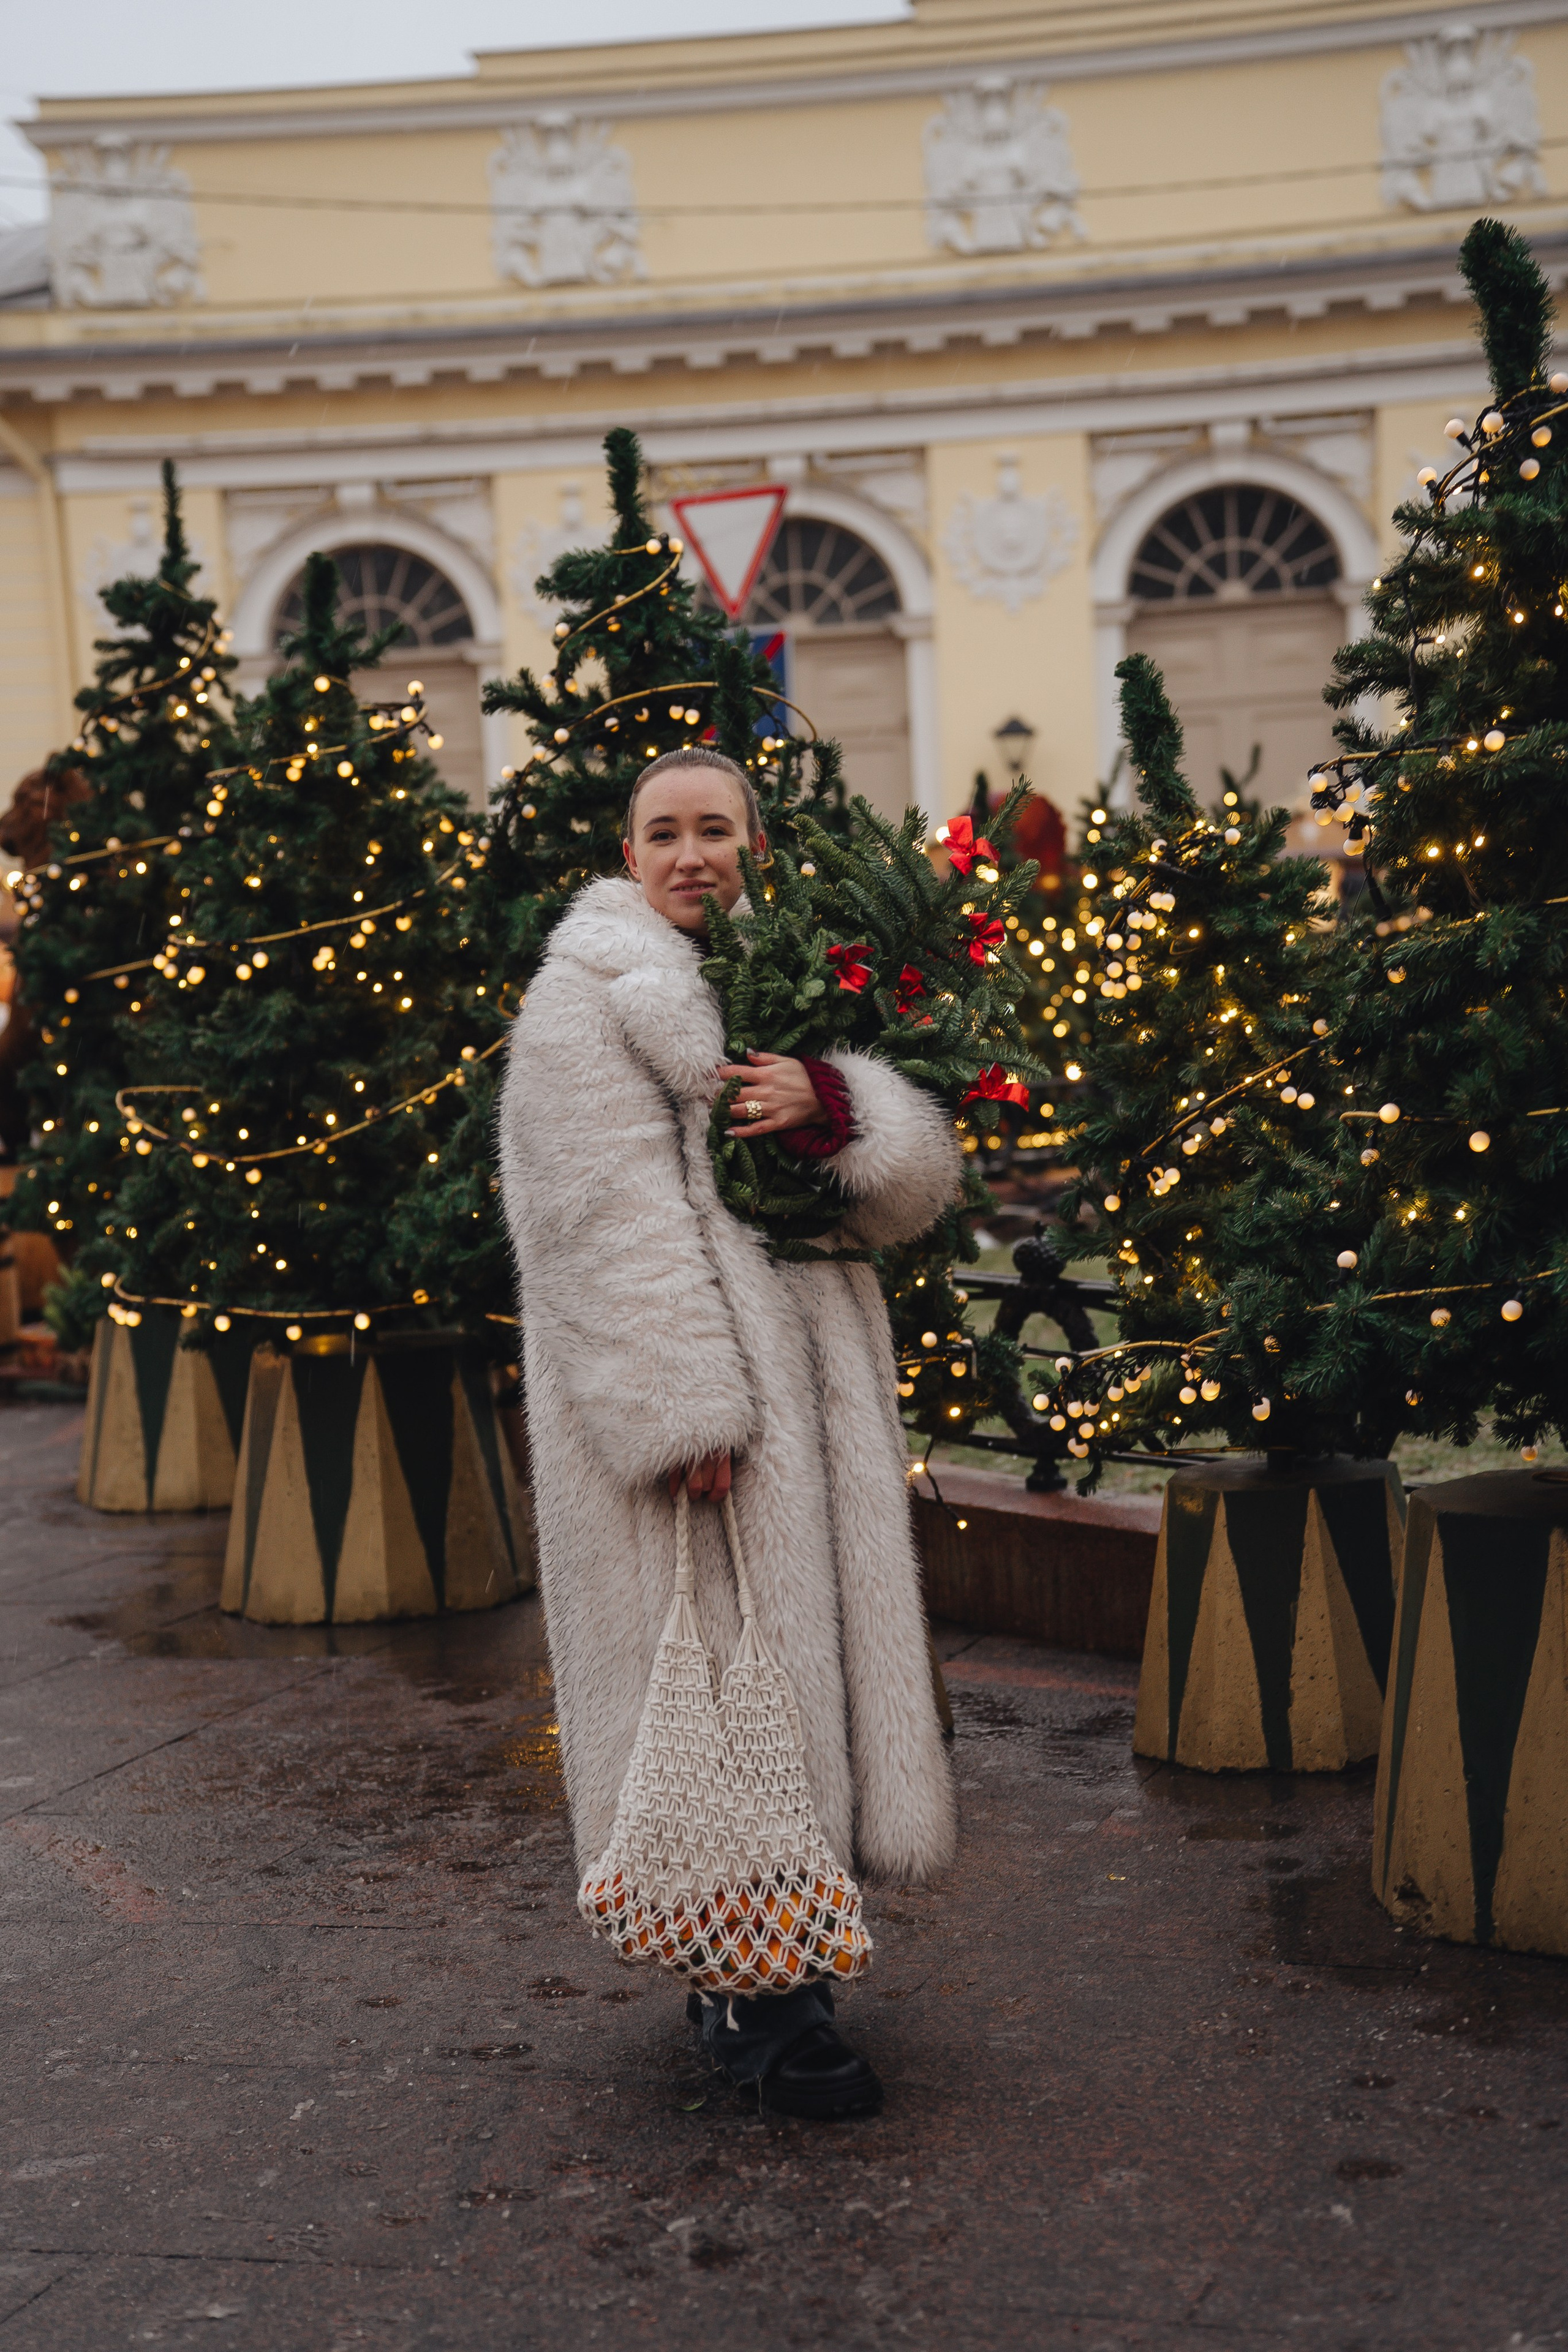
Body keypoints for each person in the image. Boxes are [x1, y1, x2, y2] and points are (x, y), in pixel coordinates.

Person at [497, 746, 957, 2119]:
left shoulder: (792, 976)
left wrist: (842, 1110)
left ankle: (760, 1968)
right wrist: (682, 1408)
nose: (691, 853)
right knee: (717, 1695)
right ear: (626, 854)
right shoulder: (586, 998)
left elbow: (908, 1194)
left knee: (784, 1680)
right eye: (664, 832)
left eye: (716, 829)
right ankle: (765, 2006)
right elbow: (593, 1224)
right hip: (699, 1415)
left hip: (810, 1393)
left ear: (754, 844)